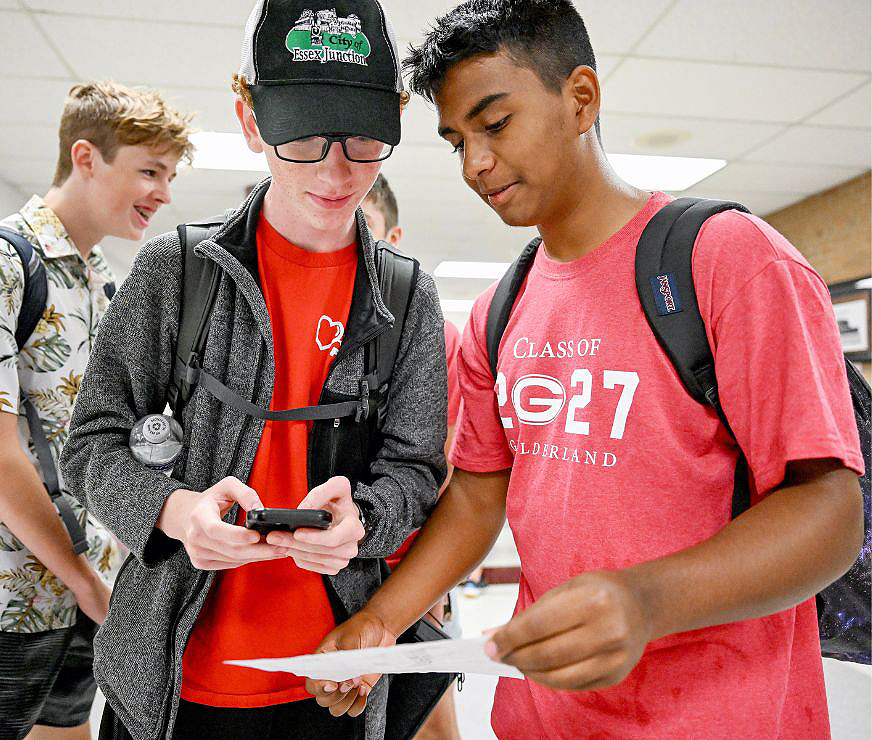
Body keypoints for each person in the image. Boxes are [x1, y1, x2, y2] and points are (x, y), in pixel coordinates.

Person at [304, 1, 866, 738]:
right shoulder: (500, 310)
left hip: (720, 716)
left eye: (495, 124)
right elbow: (478, 497)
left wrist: (643, 601)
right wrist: (382, 620)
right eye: (457, 142)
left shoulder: (730, 260)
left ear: (580, 99)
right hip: (543, 719)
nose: (476, 163)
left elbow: (830, 511)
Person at [59, 2, 448, 739]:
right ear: (249, 120)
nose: (337, 172)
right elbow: (91, 447)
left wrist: (363, 520)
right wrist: (178, 512)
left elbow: (417, 473)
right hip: (170, 685)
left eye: (364, 139)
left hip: (331, 683)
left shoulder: (407, 296)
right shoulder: (176, 272)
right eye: (303, 135)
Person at [0, 81, 192, 740]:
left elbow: (119, 437)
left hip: (86, 591)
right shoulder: (7, 262)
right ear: (86, 157)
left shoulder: (104, 281)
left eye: (168, 175)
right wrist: (81, 578)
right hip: (14, 599)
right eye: (148, 171)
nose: (163, 192)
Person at [362, 174, 462, 740]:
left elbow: (444, 473)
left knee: (424, 723)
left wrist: (432, 590)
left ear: (395, 238)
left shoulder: (433, 336)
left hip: (409, 574)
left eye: (368, 231)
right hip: (325, 573)